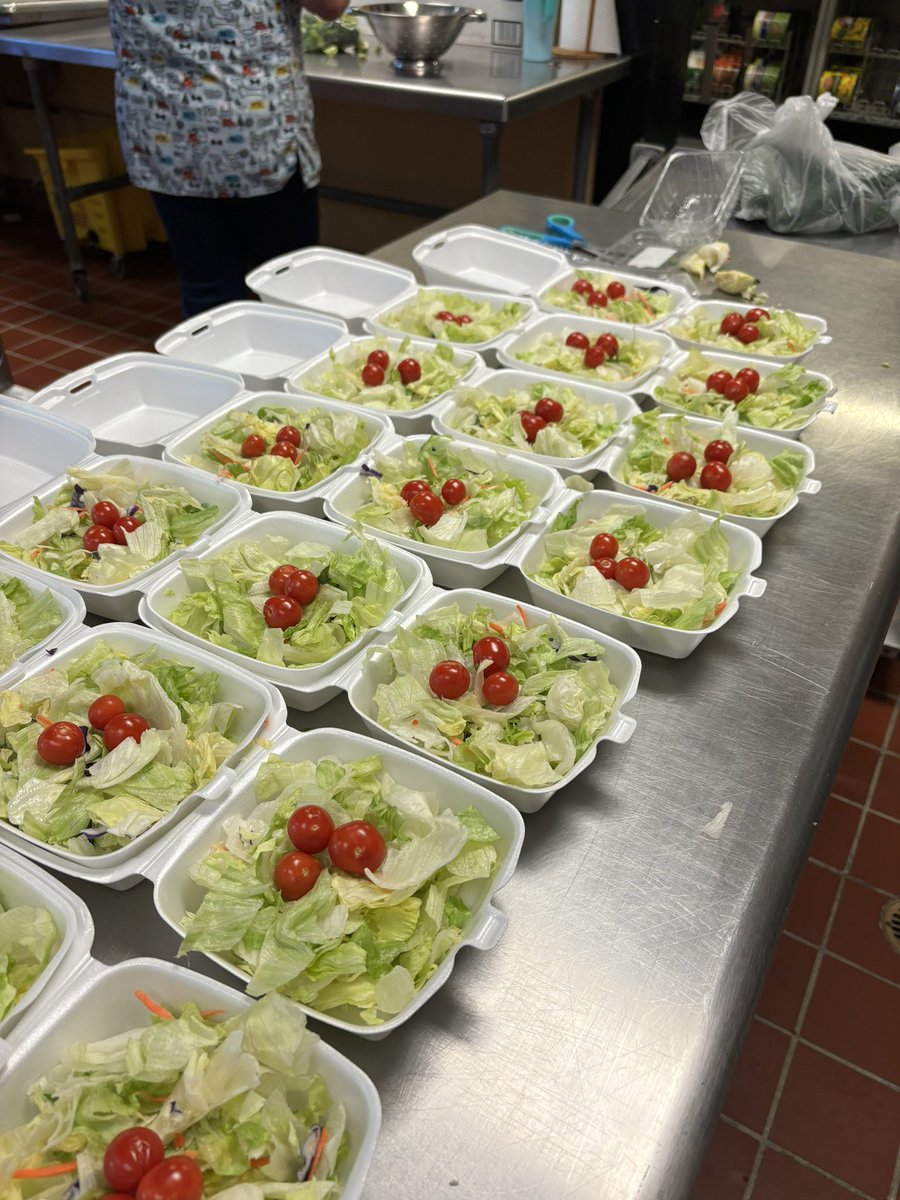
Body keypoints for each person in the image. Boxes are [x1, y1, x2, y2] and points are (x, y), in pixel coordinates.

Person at [109, 0, 348, 317]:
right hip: (256, 138)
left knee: (208, 293)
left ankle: (216, 363)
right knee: (287, 292)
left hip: (165, 132)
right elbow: (331, 6)